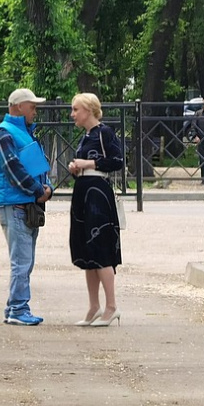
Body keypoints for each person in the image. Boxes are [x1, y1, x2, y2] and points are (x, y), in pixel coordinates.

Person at [0, 88, 53, 326]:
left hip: (24, 204)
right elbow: (13, 169)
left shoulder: (21, 133)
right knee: (22, 261)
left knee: (25, 260)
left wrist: (47, 189)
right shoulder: (5, 133)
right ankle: (17, 309)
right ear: (18, 107)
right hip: (16, 204)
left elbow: (39, 168)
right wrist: (40, 191)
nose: (35, 111)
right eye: (32, 106)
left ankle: (15, 308)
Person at [67, 92, 124, 327]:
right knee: (87, 249)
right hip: (83, 190)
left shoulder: (105, 133)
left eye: (76, 109)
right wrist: (75, 168)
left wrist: (87, 163)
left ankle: (111, 306)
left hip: (98, 193)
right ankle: (94, 306)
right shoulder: (87, 136)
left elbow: (118, 160)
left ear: (88, 110)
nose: (72, 114)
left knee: (100, 247)